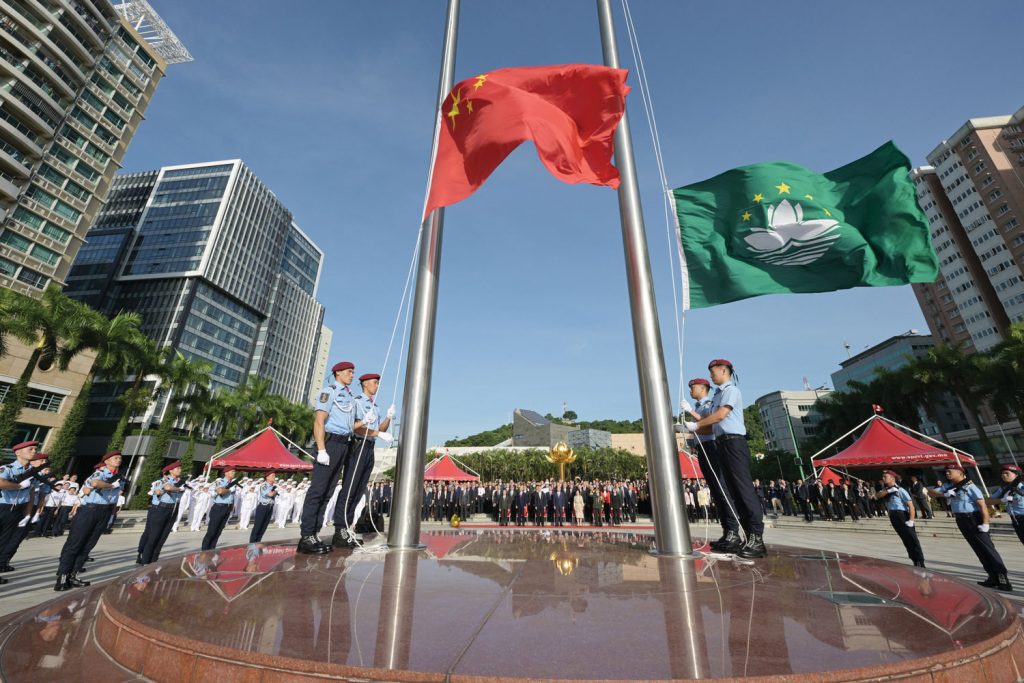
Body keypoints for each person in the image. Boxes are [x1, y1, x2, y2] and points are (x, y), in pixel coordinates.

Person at [682, 359, 765, 558]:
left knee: (742, 489)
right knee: (733, 490)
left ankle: (756, 537)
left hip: (733, 442)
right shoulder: (720, 394)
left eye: (714, 372)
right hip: (722, 443)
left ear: (724, 371)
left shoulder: (731, 391)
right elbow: (710, 421)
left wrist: (694, 425)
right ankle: (740, 535)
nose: (712, 376)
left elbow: (719, 416)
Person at [300, 361, 357, 554]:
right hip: (330, 443)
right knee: (317, 490)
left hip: (343, 444)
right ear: (338, 373)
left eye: (352, 372)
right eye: (349, 372)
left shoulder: (348, 395)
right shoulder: (329, 391)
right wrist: (322, 449)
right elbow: (319, 421)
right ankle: (306, 535)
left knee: (328, 492)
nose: (352, 375)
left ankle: (314, 534)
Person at [680, 377, 741, 552]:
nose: (691, 391)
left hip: (712, 446)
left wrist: (691, 413)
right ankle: (727, 531)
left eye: (693, 388)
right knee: (715, 489)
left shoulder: (709, 404)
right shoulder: (700, 406)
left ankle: (733, 531)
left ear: (702, 388)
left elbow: (709, 424)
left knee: (722, 489)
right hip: (702, 447)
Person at [333, 372, 394, 548]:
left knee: (359, 490)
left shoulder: (375, 406)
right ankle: (340, 528)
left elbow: (379, 428)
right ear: (365, 384)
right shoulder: (357, 401)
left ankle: (347, 527)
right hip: (358, 446)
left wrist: (388, 417)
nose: (377, 386)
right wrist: (379, 433)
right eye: (375, 383)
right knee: (350, 488)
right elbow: (357, 429)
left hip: (370, 447)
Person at [927, 463, 1012, 591]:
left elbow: (983, 505)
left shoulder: (970, 487)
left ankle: (1002, 577)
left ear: (960, 473)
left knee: (987, 548)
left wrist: (985, 523)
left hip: (973, 518)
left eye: (950, 471)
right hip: (961, 520)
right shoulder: (949, 486)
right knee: (977, 549)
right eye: (946, 472)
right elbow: (931, 492)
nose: (947, 473)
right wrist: (944, 494)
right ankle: (992, 576)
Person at [55, 451, 124, 591]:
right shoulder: (101, 473)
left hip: (104, 511)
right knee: (75, 544)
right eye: (115, 458)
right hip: (90, 510)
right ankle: (62, 576)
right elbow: (95, 483)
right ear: (107, 461)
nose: (119, 460)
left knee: (88, 545)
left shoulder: (119, 477)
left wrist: (112, 513)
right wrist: (111, 486)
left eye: (120, 458)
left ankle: (73, 574)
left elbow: (115, 497)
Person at [0, 442, 49, 581]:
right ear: (18, 452)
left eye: (35, 449)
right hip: (2, 506)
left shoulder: (32, 473)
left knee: (3, 542)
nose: (34, 451)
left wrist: (28, 514)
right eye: (30, 449)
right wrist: (17, 486)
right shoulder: (8, 468)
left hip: (17, 509)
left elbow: (31, 494)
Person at [874, 470, 925, 567]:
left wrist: (911, 520)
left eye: (885, 477)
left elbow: (911, 506)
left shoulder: (900, 490)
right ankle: (914, 560)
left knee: (912, 539)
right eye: (883, 477)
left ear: (892, 478)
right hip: (893, 516)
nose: (883, 478)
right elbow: (877, 496)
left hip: (902, 515)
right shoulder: (886, 490)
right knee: (905, 539)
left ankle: (920, 561)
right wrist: (888, 491)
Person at [138, 461, 185, 565]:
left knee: (163, 537)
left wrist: (180, 487)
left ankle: (154, 560)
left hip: (172, 509)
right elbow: (168, 488)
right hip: (160, 509)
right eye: (177, 468)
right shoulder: (164, 480)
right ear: (171, 470)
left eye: (180, 468)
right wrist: (178, 489)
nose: (180, 470)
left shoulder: (181, 482)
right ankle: (145, 560)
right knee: (153, 536)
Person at [986, 464, 1024, 546]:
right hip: (1015, 520)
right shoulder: (1003, 489)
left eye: (1007, 473)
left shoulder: (1022, 487)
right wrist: (1002, 500)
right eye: (1002, 473)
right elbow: (987, 502)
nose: (1003, 475)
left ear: (1016, 475)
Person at [202, 467, 239, 551]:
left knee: (218, 532)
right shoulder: (220, 481)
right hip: (219, 507)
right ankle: (204, 551)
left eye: (234, 471)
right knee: (211, 532)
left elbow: (231, 497)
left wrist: (232, 506)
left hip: (227, 508)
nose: (234, 473)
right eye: (232, 471)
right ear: (226, 473)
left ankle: (211, 550)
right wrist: (229, 490)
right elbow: (220, 491)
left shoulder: (233, 483)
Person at [250, 472, 278, 543]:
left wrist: (274, 491)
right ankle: (252, 545)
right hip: (263, 507)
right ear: (267, 477)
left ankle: (258, 543)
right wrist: (275, 492)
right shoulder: (264, 485)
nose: (274, 477)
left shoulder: (272, 486)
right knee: (257, 527)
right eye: (273, 475)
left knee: (263, 528)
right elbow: (270, 494)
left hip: (270, 507)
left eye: (274, 475)